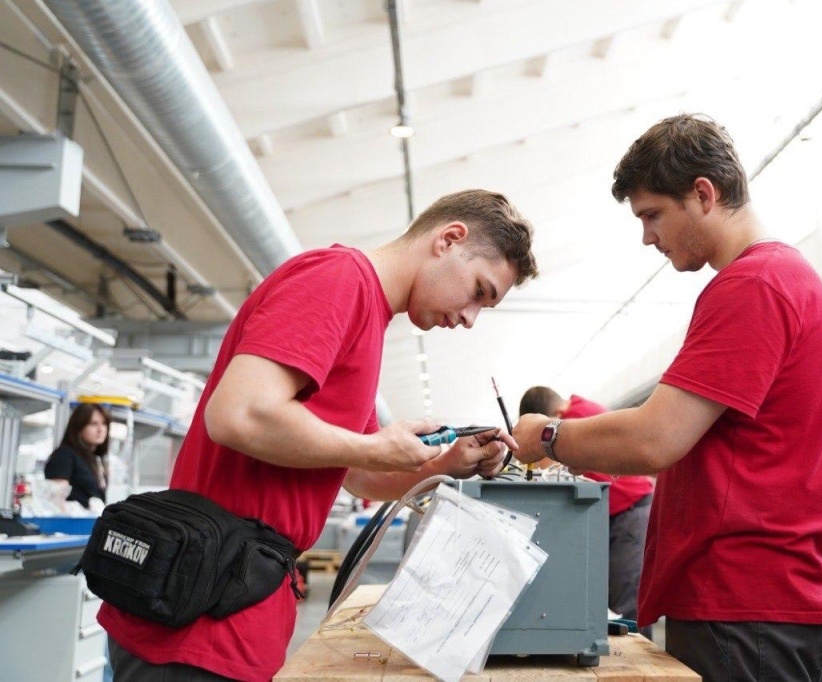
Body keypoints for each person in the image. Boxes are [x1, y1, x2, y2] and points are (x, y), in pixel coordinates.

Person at [99, 189, 538, 681]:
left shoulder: (370, 318)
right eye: (479, 291)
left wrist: (443, 465)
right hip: (198, 611)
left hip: (237, 598)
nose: (469, 319)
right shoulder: (339, 281)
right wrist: (374, 444)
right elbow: (237, 413)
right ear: (450, 240)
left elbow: (355, 474)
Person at [512, 114, 822, 682]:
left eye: (652, 215)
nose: (648, 236)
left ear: (703, 194)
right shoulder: (787, 278)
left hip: (745, 605)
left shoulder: (752, 285)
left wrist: (548, 436)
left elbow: (655, 438)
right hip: (772, 601)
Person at [518, 387, 654, 638]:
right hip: (616, 512)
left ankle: (640, 660)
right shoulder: (578, 411)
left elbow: (548, 460)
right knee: (615, 598)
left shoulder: (575, 417)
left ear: (556, 414)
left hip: (631, 511)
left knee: (629, 600)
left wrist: (536, 441)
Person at [44, 402, 111, 510]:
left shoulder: (94, 459)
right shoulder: (64, 455)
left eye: (104, 424)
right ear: (79, 426)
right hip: (71, 525)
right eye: (93, 424)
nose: (101, 429)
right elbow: (56, 502)